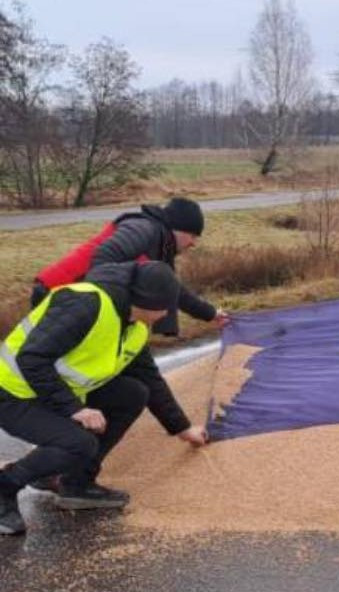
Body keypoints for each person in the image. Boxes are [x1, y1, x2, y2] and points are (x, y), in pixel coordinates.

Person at [0, 262, 208, 536]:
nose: (168, 313)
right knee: (78, 444)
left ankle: (76, 483)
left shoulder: (135, 326)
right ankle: (6, 486)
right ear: (148, 301)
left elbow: (149, 378)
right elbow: (32, 358)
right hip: (12, 393)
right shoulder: (86, 303)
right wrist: (75, 409)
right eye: (166, 306)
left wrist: (181, 428)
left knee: (133, 393)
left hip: (49, 391)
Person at [32, 196, 229, 335]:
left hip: (77, 300)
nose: (194, 243)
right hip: (56, 294)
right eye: (193, 235)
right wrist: (116, 309)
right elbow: (103, 258)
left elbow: (171, 290)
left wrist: (210, 313)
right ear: (177, 228)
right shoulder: (143, 228)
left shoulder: (161, 246)